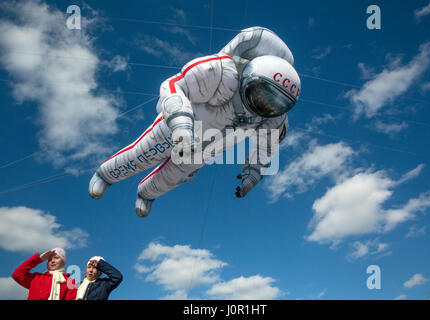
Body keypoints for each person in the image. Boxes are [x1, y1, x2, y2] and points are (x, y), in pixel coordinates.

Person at [89, 26, 301, 217]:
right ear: (248, 77)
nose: (266, 104)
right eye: (262, 93)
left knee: (172, 177)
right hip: (175, 128)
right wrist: (181, 123)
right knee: (142, 155)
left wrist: (253, 173)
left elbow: (266, 148)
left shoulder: (275, 117)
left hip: (206, 150)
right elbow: (174, 85)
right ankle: (106, 175)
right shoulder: (222, 72)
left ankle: (146, 194)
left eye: (275, 103)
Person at [12, 248, 77, 300]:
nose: (52, 261)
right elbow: (17, 274)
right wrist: (39, 259)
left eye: (56, 258)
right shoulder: (37, 278)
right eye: (49, 259)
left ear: (63, 261)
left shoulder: (69, 281)